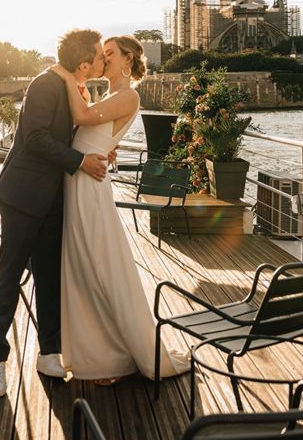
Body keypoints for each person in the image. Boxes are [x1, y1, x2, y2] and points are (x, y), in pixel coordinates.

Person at [51, 35, 190, 383]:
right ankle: (97, 352)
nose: (103, 58)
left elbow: (82, 117)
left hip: (89, 187)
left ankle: (111, 356)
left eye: (110, 54)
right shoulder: (111, 95)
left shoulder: (129, 95)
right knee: (84, 266)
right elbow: (92, 133)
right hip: (81, 179)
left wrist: (67, 76)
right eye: (103, 54)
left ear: (128, 60)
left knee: (97, 265)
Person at [0, 29, 109, 398]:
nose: (103, 60)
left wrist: (96, 150)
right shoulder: (44, 84)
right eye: (101, 55)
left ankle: (49, 353)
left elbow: (69, 135)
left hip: (54, 198)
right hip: (24, 196)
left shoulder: (70, 85)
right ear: (85, 63)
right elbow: (36, 137)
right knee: (9, 277)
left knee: (50, 278)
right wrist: (79, 162)